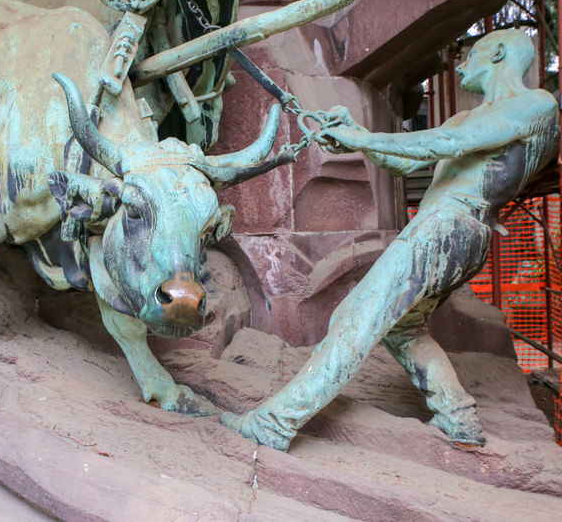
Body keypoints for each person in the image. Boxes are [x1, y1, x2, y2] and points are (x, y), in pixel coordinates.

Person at [220, 29, 560, 450]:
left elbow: (445, 143)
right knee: (404, 328)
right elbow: (402, 160)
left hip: (450, 226)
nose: (460, 63)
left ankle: (275, 424)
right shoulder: (467, 118)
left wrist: (364, 138)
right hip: (448, 230)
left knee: (355, 315)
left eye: (469, 54)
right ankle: (458, 417)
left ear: (499, 52)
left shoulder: (535, 104)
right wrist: (353, 133)